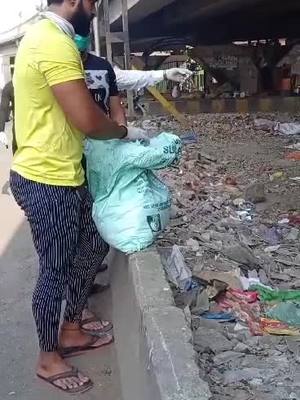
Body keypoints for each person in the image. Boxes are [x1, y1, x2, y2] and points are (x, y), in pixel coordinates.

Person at [10, 0, 146, 394]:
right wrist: (124, 135)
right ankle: (48, 356)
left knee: (92, 243)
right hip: (46, 179)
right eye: (91, 1)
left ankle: (72, 326)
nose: (96, 7)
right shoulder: (51, 42)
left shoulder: (57, 41)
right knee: (55, 268)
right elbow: (86, 118)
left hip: (68, 172)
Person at [74, 33, 193, 336]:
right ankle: (77, 305)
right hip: (70, 157)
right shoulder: (58, 64)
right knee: (74, 233)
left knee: (95, 228)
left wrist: (163, 74)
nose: (80, 38)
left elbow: (121, 82)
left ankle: (82, 287)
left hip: (101, 152)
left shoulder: (100, 66)